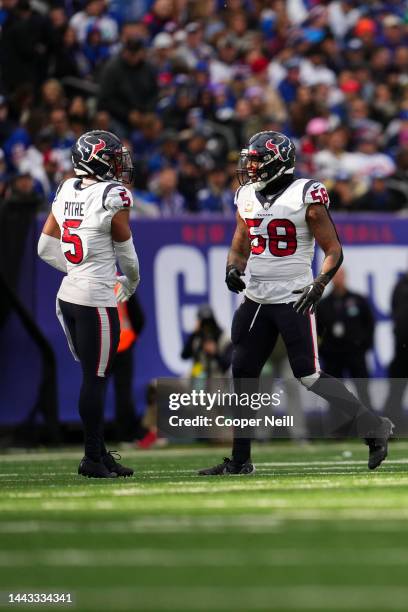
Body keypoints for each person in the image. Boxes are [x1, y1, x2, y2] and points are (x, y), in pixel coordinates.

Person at [198, 130, 393, 476]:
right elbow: (240, 243)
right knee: (242, 373)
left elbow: (333, 249)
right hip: (256, 297)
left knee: (308, 375)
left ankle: (373, 426)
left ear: (277, 162)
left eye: (257, 161)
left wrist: (320, 283)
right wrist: (233, 267)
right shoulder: (246, 196)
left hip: (293, 297)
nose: (251, 168)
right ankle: (240, 460)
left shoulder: (305, 194)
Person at [37, 130, 140, 478]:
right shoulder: (112, 194)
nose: (117, 165)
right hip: (95, 299)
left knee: (93, 375)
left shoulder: (67, 188)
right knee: (95, 378)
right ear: (97, 159)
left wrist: (78, 270)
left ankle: (98, 453)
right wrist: (132, 280)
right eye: (112, 158)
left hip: (67, 296)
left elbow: (44, 248)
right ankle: (93, 457)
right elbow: (126, 252)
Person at [317, 267, 375, 411]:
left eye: (340, 275)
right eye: (335, 276)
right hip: (333, 355)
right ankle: (338, 427)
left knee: (363, 391)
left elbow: (370, 323)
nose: (338, 279)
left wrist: (364, 345)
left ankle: (371, 427)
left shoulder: (357, 300)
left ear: (345, 277)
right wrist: (323, 350)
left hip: (355, 353)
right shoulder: (323, 305)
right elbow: (317, 331)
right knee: (335, 394)